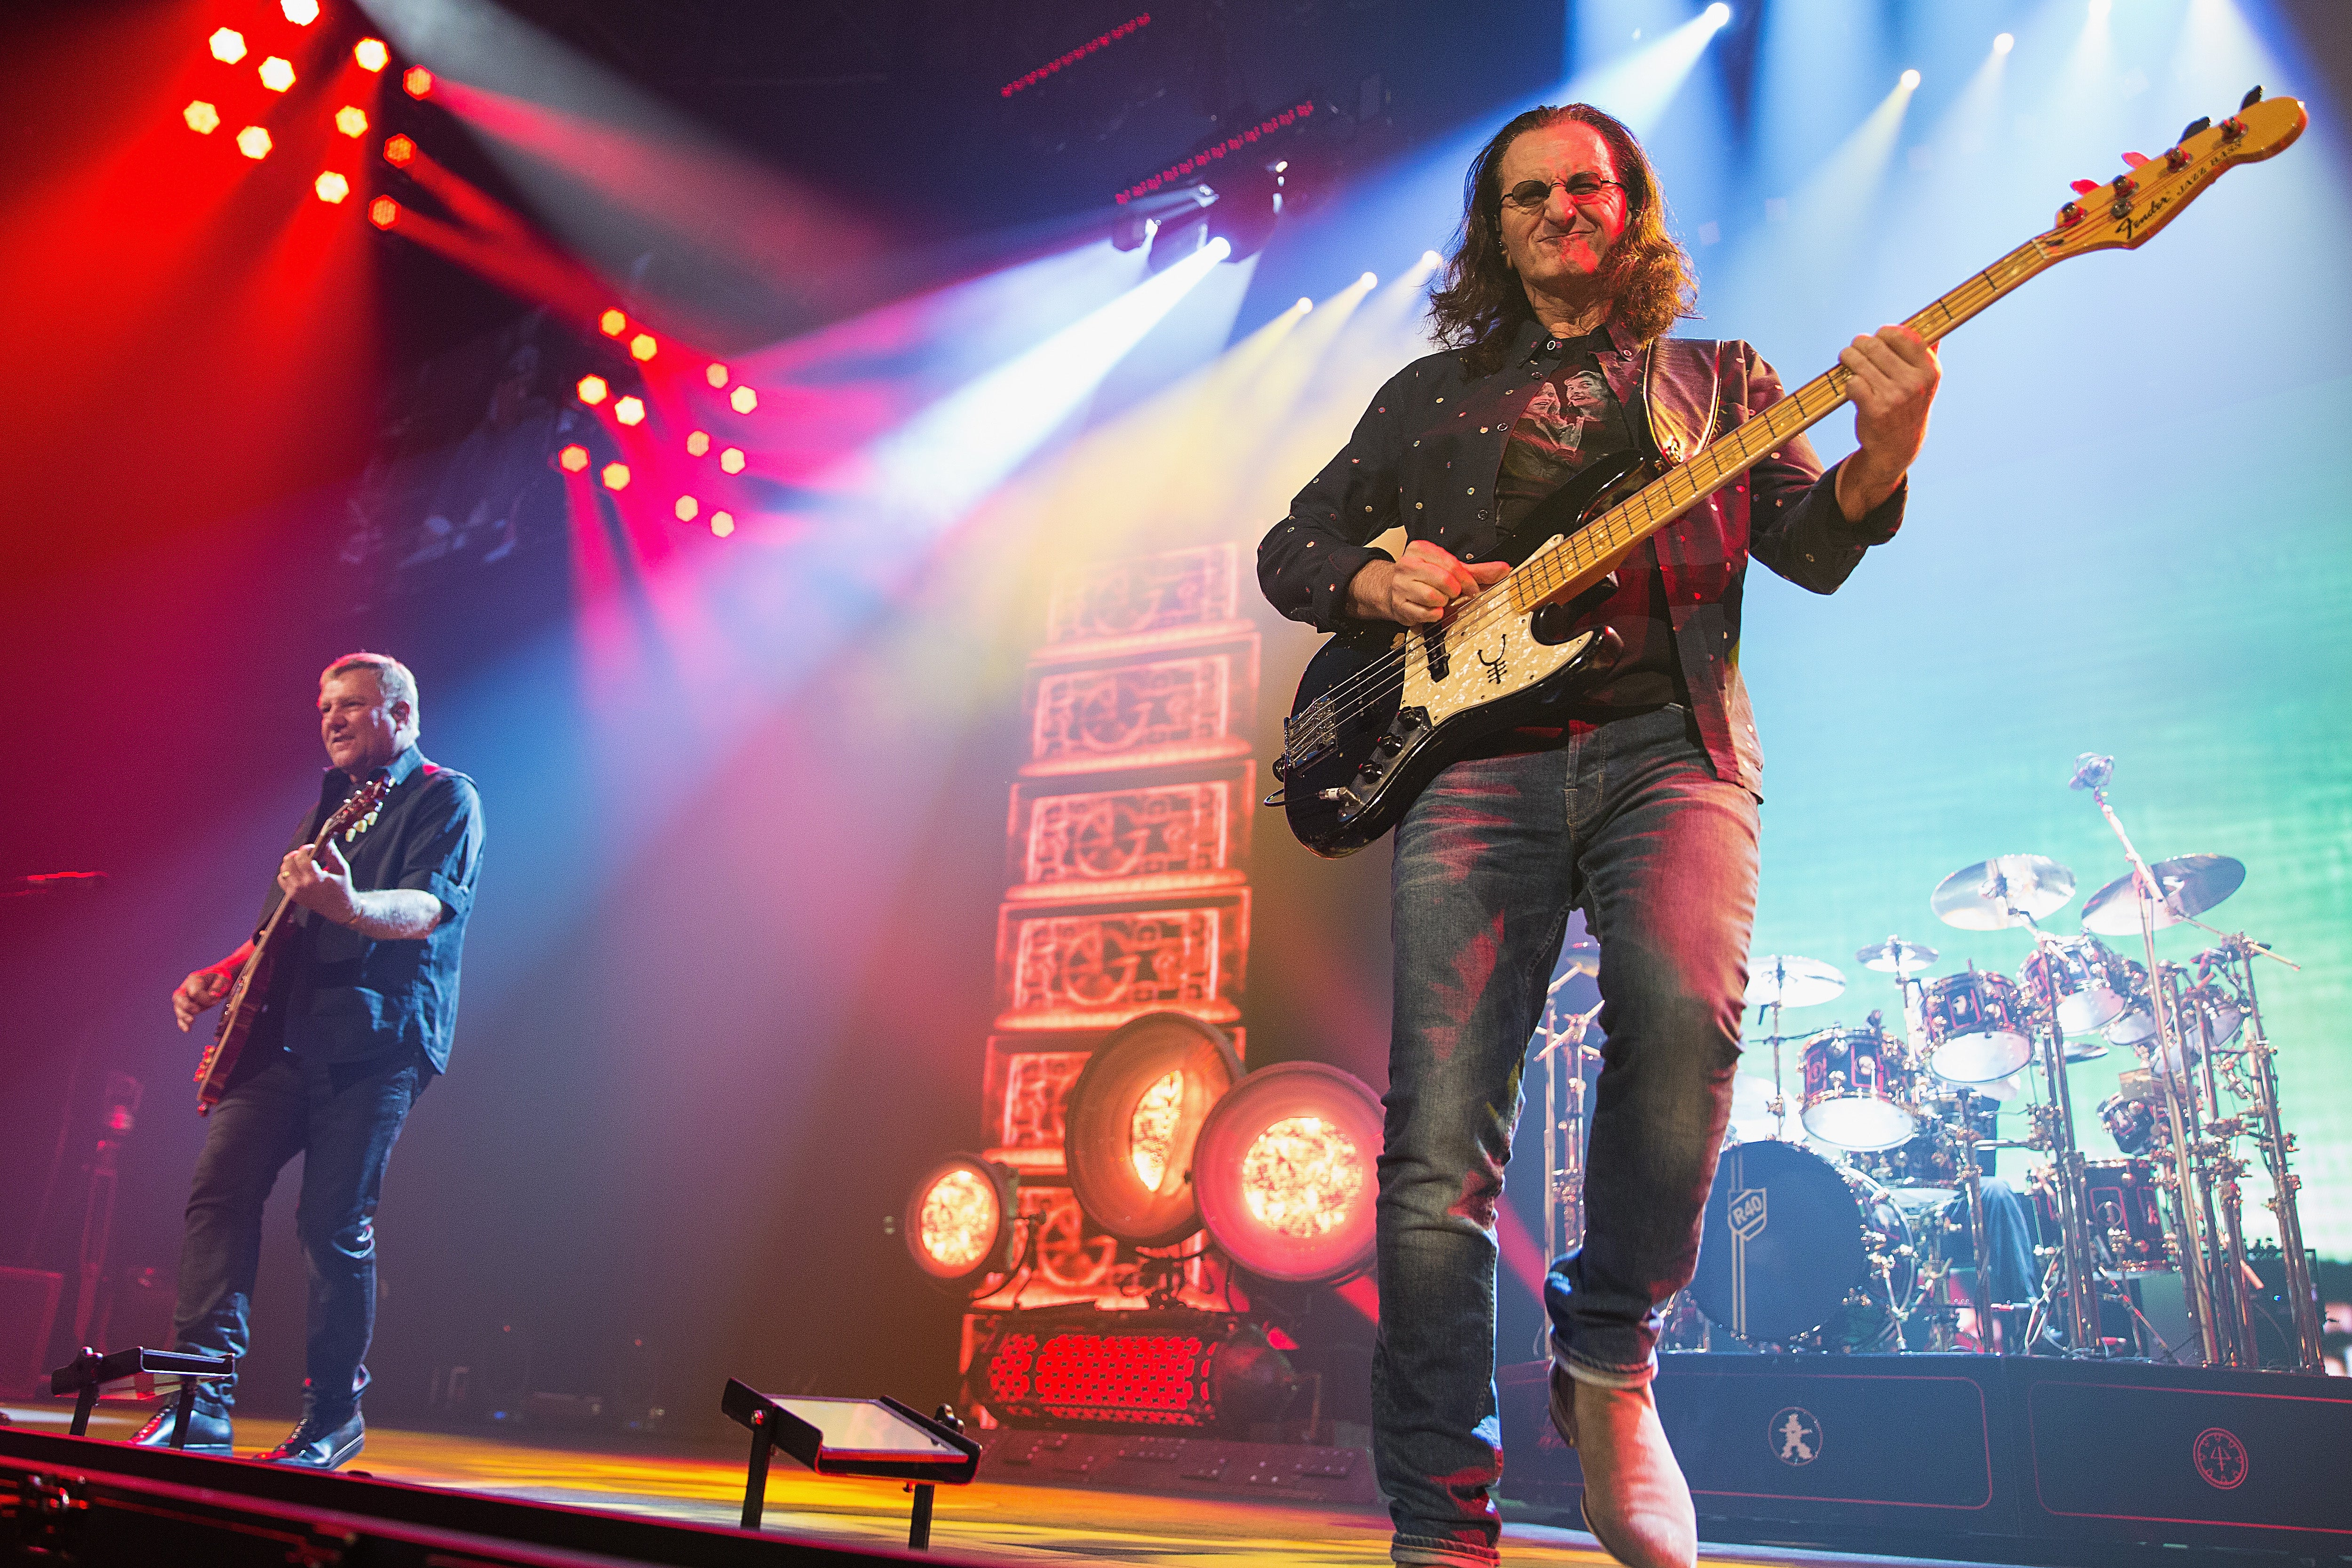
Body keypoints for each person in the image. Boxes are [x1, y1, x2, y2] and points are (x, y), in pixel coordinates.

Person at [1258, 105, 1939, 1568]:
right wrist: (1387, 581)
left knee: (1688, 1021)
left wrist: (1886, 450)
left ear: (1633, 211)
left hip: (1669, 749)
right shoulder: (1425, 397)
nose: (1565, 207)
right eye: (1532, 194)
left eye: (1592, 184)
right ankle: (1443, 1517)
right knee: (1437, 1152)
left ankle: (1610, 1355)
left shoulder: (1721, 380)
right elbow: (1291, 549)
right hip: (1475, 765)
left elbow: (1812, 548)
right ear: (1493, 230)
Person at [143, 653, 485, 1468]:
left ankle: (334, 1416)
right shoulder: (331, 806)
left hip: (376, 1044)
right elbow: (281, 928)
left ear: (400, 716)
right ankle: (198, 1403)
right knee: (217, 1193)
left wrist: (353, 904)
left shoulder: (445, 795)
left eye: (352, 705)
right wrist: (224, 972)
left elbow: (427, 906)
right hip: (283, 1039)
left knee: (332, 1226)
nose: (330, 718)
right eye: (325, 705)